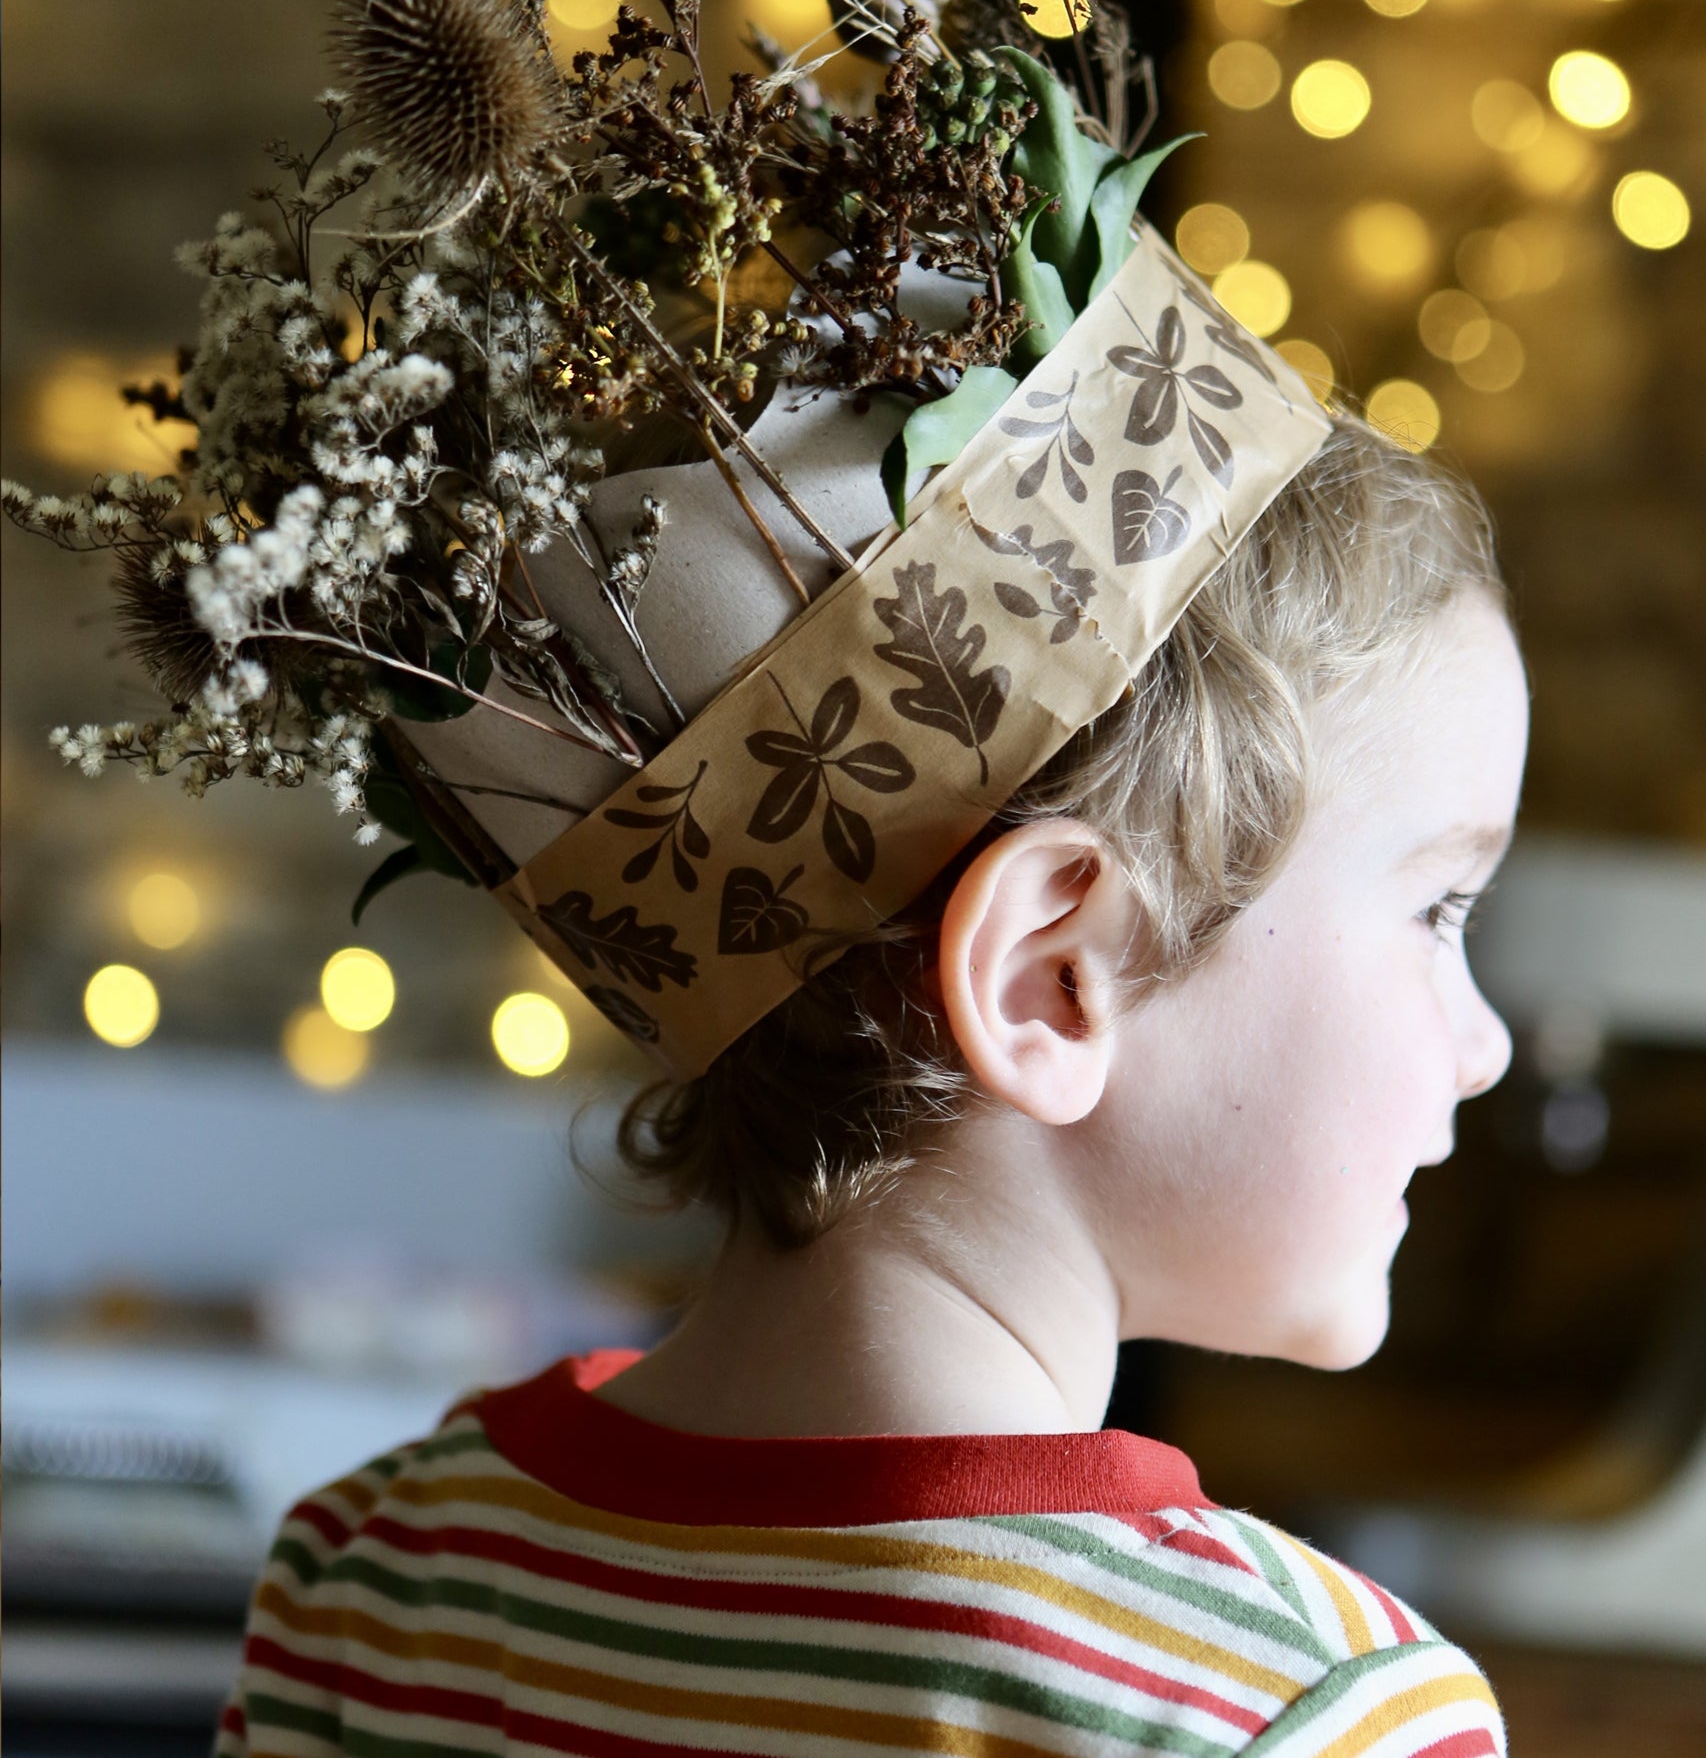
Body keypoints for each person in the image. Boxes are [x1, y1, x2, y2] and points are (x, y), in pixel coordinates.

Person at [214, 414, 1527, 1757]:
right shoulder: (1301, 1715)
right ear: (1052, 975)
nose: (1484, 1044)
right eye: (1439, 908)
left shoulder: (374, 1581)